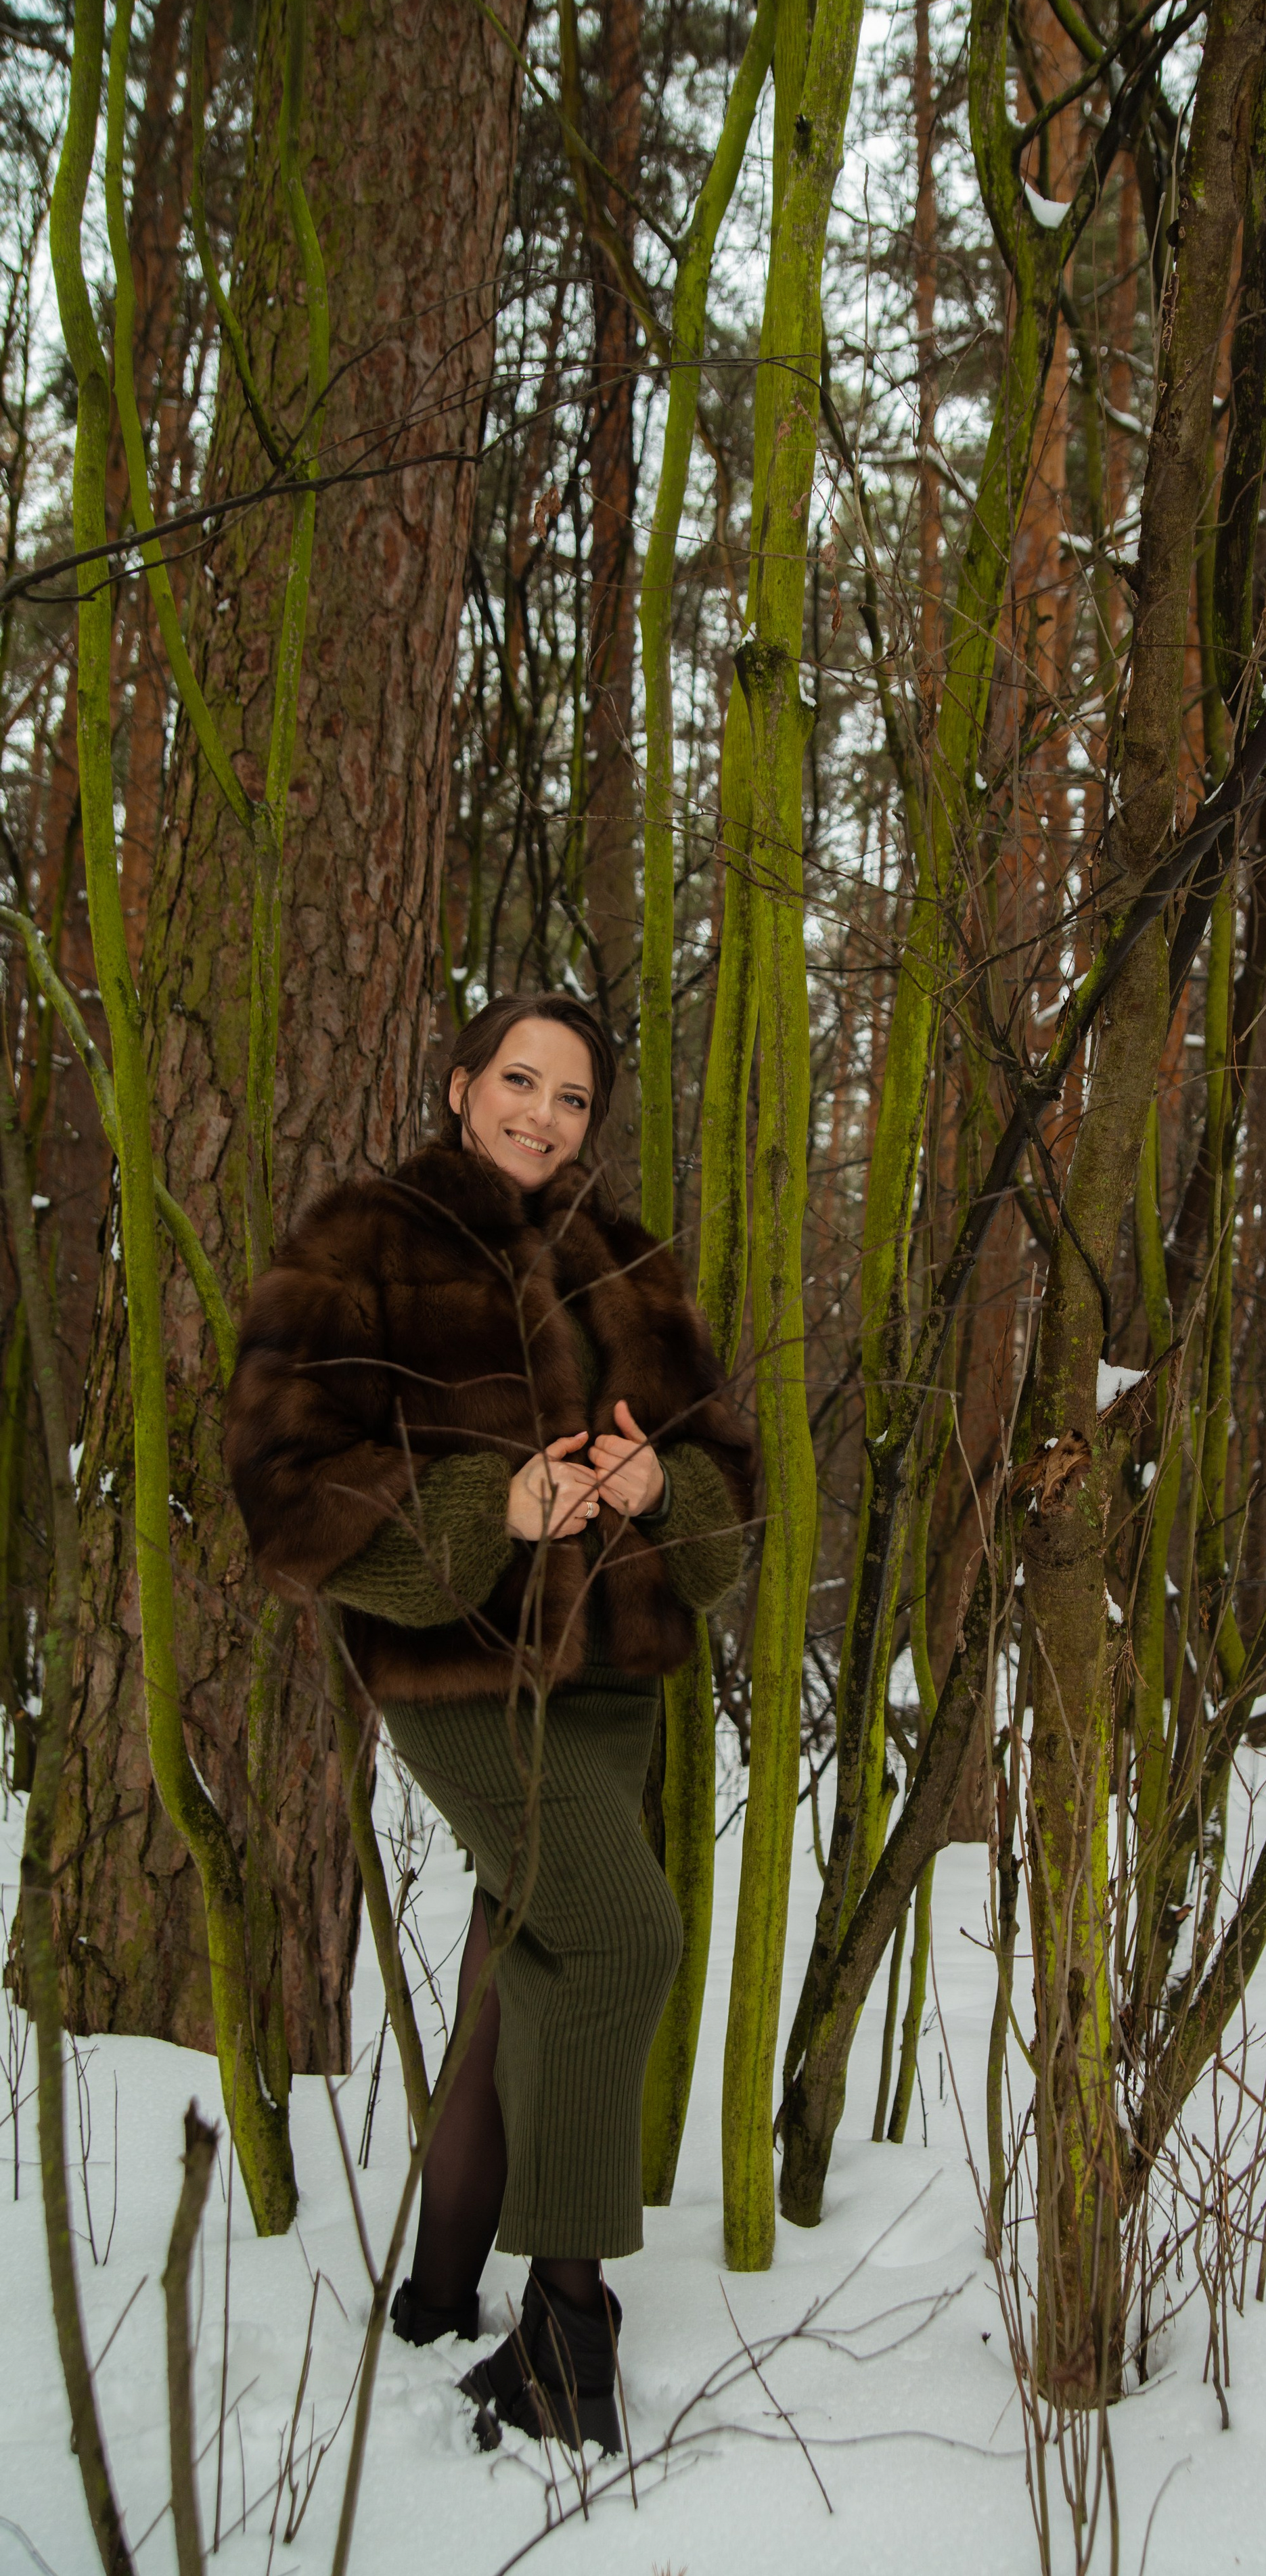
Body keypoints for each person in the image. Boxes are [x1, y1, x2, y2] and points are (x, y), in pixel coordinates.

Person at [223, 991, 754, 2454]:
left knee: (522, 1959)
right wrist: (489, 1507)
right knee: (622, 1933)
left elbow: (730, 1505)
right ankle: (565, 2332)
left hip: (612, 1691)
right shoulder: (359, 1247)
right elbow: (281, 1492)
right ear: (460, 1086)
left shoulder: (632, 1267)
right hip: (461, 1675)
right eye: (519, 1080)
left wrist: (660, 1491)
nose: (542, 1115)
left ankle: (439, 2292)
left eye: (572, 1097)